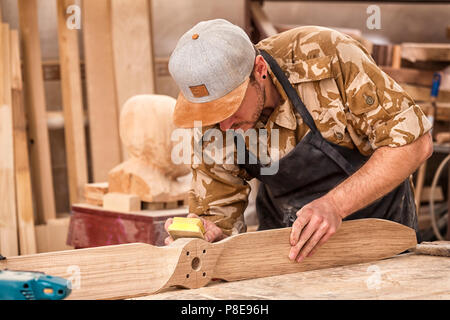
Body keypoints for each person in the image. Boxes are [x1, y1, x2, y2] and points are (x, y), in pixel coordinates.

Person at [164, 19, 433, 263]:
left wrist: (335, 205)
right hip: (290, 250)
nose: (223, 126)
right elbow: (218, 217)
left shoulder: (325, 55)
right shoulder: (215, 121)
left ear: (260, 70)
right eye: (212, 114)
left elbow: (414, 143)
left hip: (377, 235)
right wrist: (211, 242)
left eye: (229, 108)